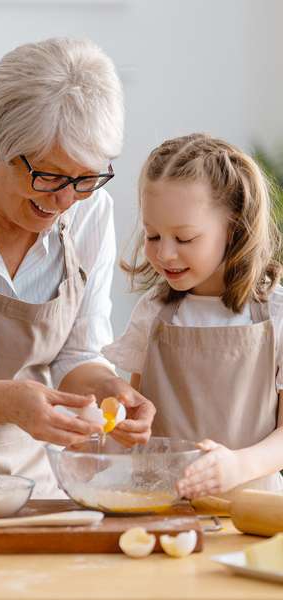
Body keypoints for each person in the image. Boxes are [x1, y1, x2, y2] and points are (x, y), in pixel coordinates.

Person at [0, 37, 155, 511]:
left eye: (86, 178)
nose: (66, 200)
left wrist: (108, 390)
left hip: (36, 497)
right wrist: (6, 402)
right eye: (48, 176)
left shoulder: (91, 212)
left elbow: (76, 355)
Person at [103, 133, 283, 497]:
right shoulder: (153, 313)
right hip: (157, 503)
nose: (165, 254)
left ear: (233, 229)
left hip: (251, 510)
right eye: (153, 236)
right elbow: (134, 415)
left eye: (183, 239)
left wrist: (239, 465)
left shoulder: (275, 314)